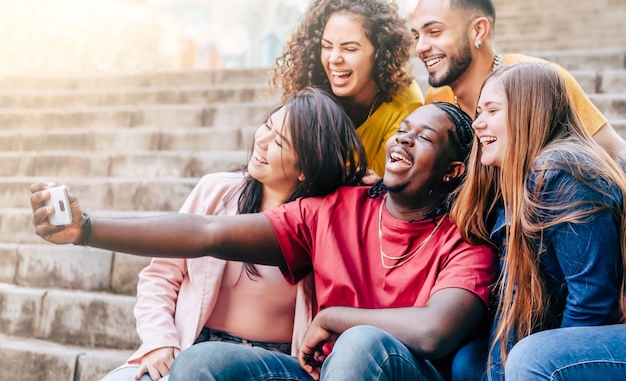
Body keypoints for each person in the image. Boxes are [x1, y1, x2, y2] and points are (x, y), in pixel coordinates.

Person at [31, 103, 497, 381]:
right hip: (316, 373)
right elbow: (208, 233)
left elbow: (436, 332)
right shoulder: (336, 209)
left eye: (424, 138)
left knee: (359, 344)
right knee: (202, 362)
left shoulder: (467, 242)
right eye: (402, 131)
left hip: (391, 371)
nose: (403, 141)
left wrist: (335, 318)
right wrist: (87, 229)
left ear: (454, 170)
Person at [99, 87, 368, 381]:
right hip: (190, 347)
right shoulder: (216, 191)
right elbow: (160, 276)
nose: (262, 141)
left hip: (272, 367)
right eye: (267, 126)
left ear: (305, 168)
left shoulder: (320, 221)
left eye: (278, 141)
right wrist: (160, 341)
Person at [451, 62, 626, 380]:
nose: (477, 124)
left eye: (492, 111)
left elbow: (593, 304)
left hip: (607, 329)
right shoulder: (519, 181)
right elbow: (517, 299)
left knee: (535, 358)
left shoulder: (562, 172)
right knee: (469, 363)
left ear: (529, 112)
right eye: (478, 112)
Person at [411, 0, 626, 173]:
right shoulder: (436, 100)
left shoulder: (543, 81)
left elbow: (616, 153)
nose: (420, 47)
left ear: (478, 30)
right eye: (416, 36)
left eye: (434, 32)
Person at [271, 0, 424, 179]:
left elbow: (396, 180)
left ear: (380, 53)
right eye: (326, 46)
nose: (334, 59)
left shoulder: (405, 100)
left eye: (349, 49)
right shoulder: (312, 91)